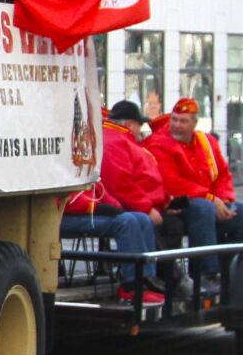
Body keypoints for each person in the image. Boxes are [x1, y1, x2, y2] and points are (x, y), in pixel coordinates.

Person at [59, 100, 169, 304]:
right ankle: (132, 286)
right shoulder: (64, 154)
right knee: (127, 221)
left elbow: (98, 188)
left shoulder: (84, 149)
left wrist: (115, 207)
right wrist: (104, 208)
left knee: (140, 219)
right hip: (65, 215)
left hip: (86, 210)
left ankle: (146, 279)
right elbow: (69, 199)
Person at [145, 97, 243, 274]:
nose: (177, 125)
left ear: (194, 123)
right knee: (204, 209)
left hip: (209, 201)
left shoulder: (207, 142)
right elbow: (172, 183)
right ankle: (205, 274)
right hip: (177, 202)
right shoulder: (159, 143)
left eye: (183, 121)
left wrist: (224, 200)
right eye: (174, 119)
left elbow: (223, 175)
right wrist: (211, 199)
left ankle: (235, 272)